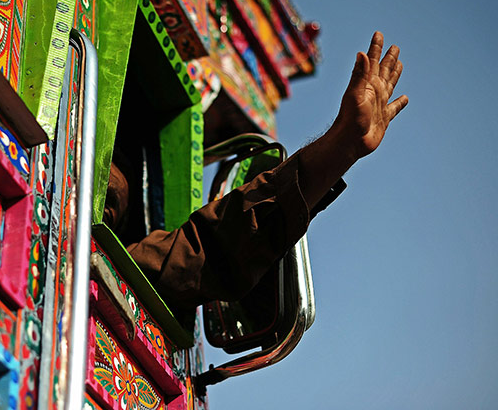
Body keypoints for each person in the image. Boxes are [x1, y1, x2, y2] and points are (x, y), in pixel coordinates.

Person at [104, 32, 408, 322]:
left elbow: (206, 253)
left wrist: (340, 146)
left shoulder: (114, 262)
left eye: (109, 202)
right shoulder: (84, 250)